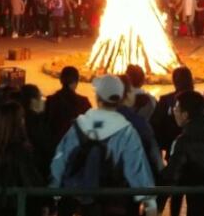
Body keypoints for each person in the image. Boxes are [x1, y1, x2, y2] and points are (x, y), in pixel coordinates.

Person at [50, 75, 157, 216]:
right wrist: (149, 201)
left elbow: (60, 159)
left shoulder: (80, 125)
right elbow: (136, 168)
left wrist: (54, 191)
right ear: (119, 98)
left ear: (97, 97)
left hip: (83, 201)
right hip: (114, 202)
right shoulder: (125, 130)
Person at [151, 66, 194, 156]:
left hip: (172, 147)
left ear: (174, 81)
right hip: (197, 147)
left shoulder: (166, 100)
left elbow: (156, 124)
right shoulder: (199, 99)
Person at [45, 66, 92, 147]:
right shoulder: (84, 102)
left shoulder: (51, 100)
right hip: (76, 149)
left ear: (60, 80)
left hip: (54, 146)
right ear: (76, 82)